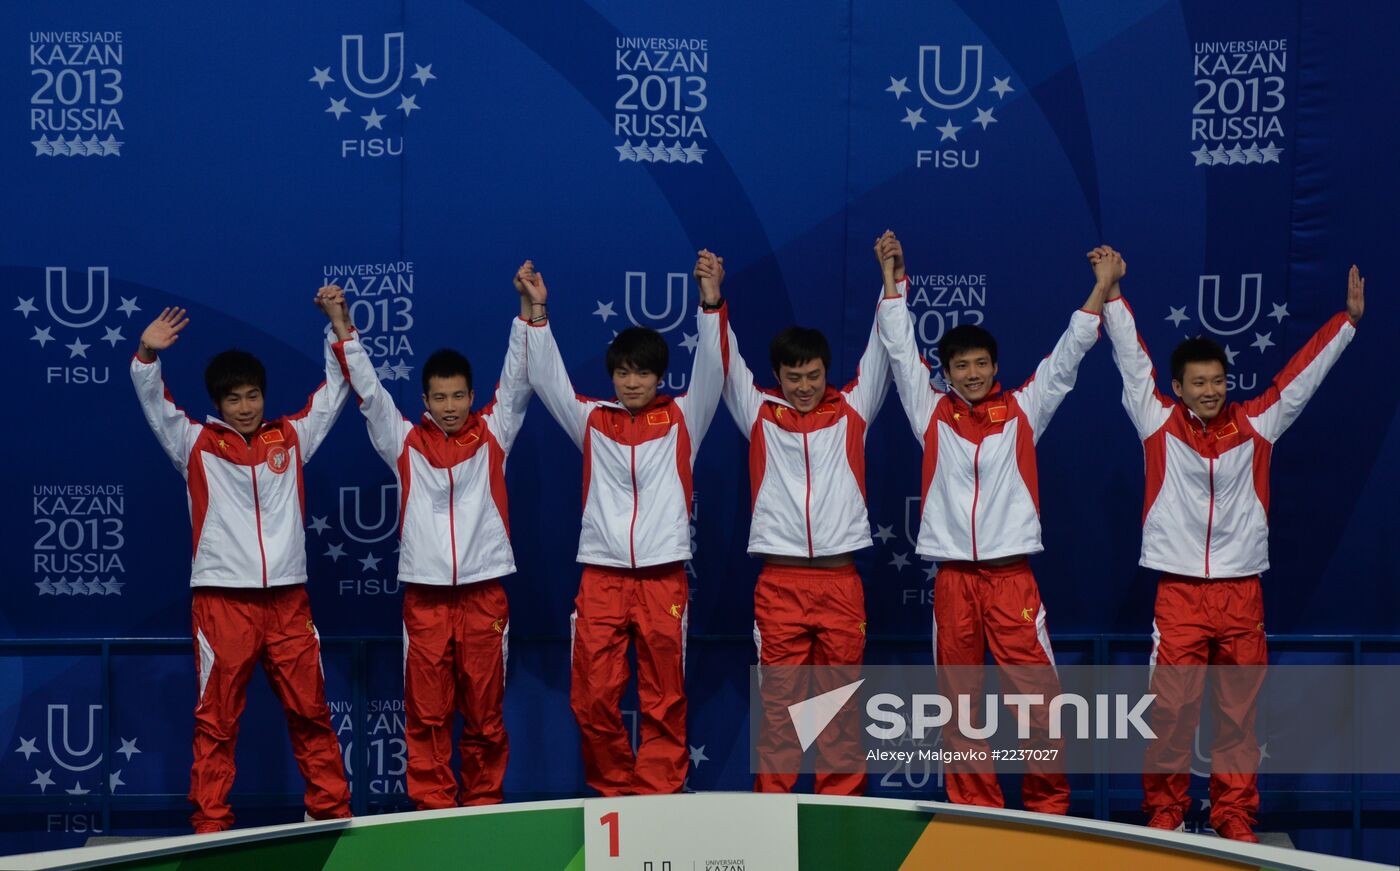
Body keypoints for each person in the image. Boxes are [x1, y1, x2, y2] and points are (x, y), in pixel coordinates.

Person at [1093, 245, 1364, 842]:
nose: (1211, 390)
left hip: (1242, 595)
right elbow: (1132, 361)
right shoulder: (1157, 422)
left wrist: (1344, 324)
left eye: (1218, 380)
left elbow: (1299, 377)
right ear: (1178, 386)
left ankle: (1234, 817)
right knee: (1171, 715)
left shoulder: (1256, 425)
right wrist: (1112, 296)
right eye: (1199, 382)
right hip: (1180, 595)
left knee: (1239, 717)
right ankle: (1166, 813)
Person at [877, 230, 1113, 814]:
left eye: (982, 363)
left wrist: (1101, 289)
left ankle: (1048, 811)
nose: (974, 373)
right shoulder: (929, 413)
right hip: (955, 581)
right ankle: (974, 815)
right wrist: (894, 283)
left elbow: (1065, 358)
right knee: (958, 707)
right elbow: (901, 351)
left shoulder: (1023, 412)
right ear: (948, 372)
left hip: (1012, 581)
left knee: (1039, 704)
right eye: (962, 365)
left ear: (995, 366)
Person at [130, 288, 354, 833]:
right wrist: (146, 356)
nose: (247, 406)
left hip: (287, 600)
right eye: (234, 399)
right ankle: (211, 826)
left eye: (253, 395)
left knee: (311, 712)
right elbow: (155, 405)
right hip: (222, 603)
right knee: (217, 720)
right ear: (218, 403)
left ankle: (330, 813)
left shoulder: (290, 437)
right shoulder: (194, 444)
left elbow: (336, 390)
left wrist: (337, 325)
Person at [517, 253, 726, 795]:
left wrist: (710, 302)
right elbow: (546, 378)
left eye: (643, 372)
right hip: (602, 579)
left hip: (662, 579)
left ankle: (658, 793)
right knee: (591, 697)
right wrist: (537, 313)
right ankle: (614, 791)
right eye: (623, 371)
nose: (632, 382)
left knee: (665, 695)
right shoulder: (593, 421)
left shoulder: (683, 417)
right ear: (612, 374)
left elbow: (714, 368)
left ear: (661, 375)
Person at [331, 274, 535, 809]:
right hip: (424, 600)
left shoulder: (494, 433)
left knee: (486, 714)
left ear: (472, 394)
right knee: (425, 714)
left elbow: (515, 380)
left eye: (459, 395)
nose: (450, 406)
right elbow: (371, 396)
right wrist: (344, 329)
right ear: (424, 399)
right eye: (439, 397)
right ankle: (432, 812)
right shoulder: (404, 443)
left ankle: (484, 805)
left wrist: (525, 310)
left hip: (484, 595)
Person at [721, 244, 895, 794]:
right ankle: (773, 816)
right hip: (781, 583)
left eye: (813, 375)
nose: (803, 386)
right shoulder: (759, 414)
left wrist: (892, 281)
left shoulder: (852, 410)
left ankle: (840, 817)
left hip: (841, 583)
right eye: (793, 376)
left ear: (827, 371)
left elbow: (885, 351)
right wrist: (711, 302)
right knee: (780, 710)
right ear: (777, 375)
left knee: (840, 707)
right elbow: (724, 364)